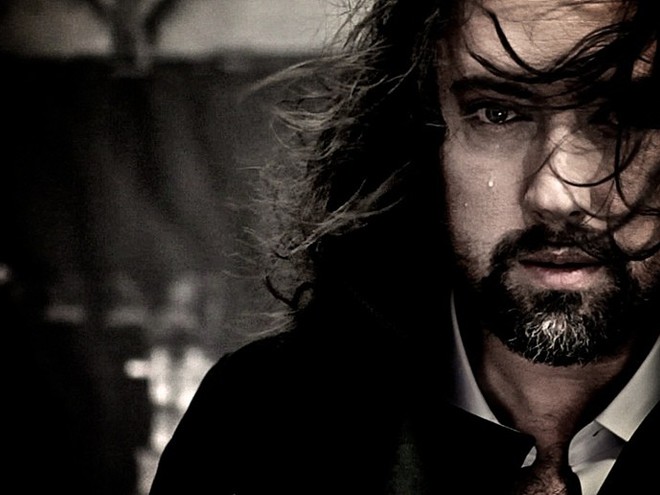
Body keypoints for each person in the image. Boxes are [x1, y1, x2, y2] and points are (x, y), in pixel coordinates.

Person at [149, 0, 659, 493]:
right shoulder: (256, 426)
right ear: (423, 133)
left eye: (622, 114)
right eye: (498, 113)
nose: (555, 196)